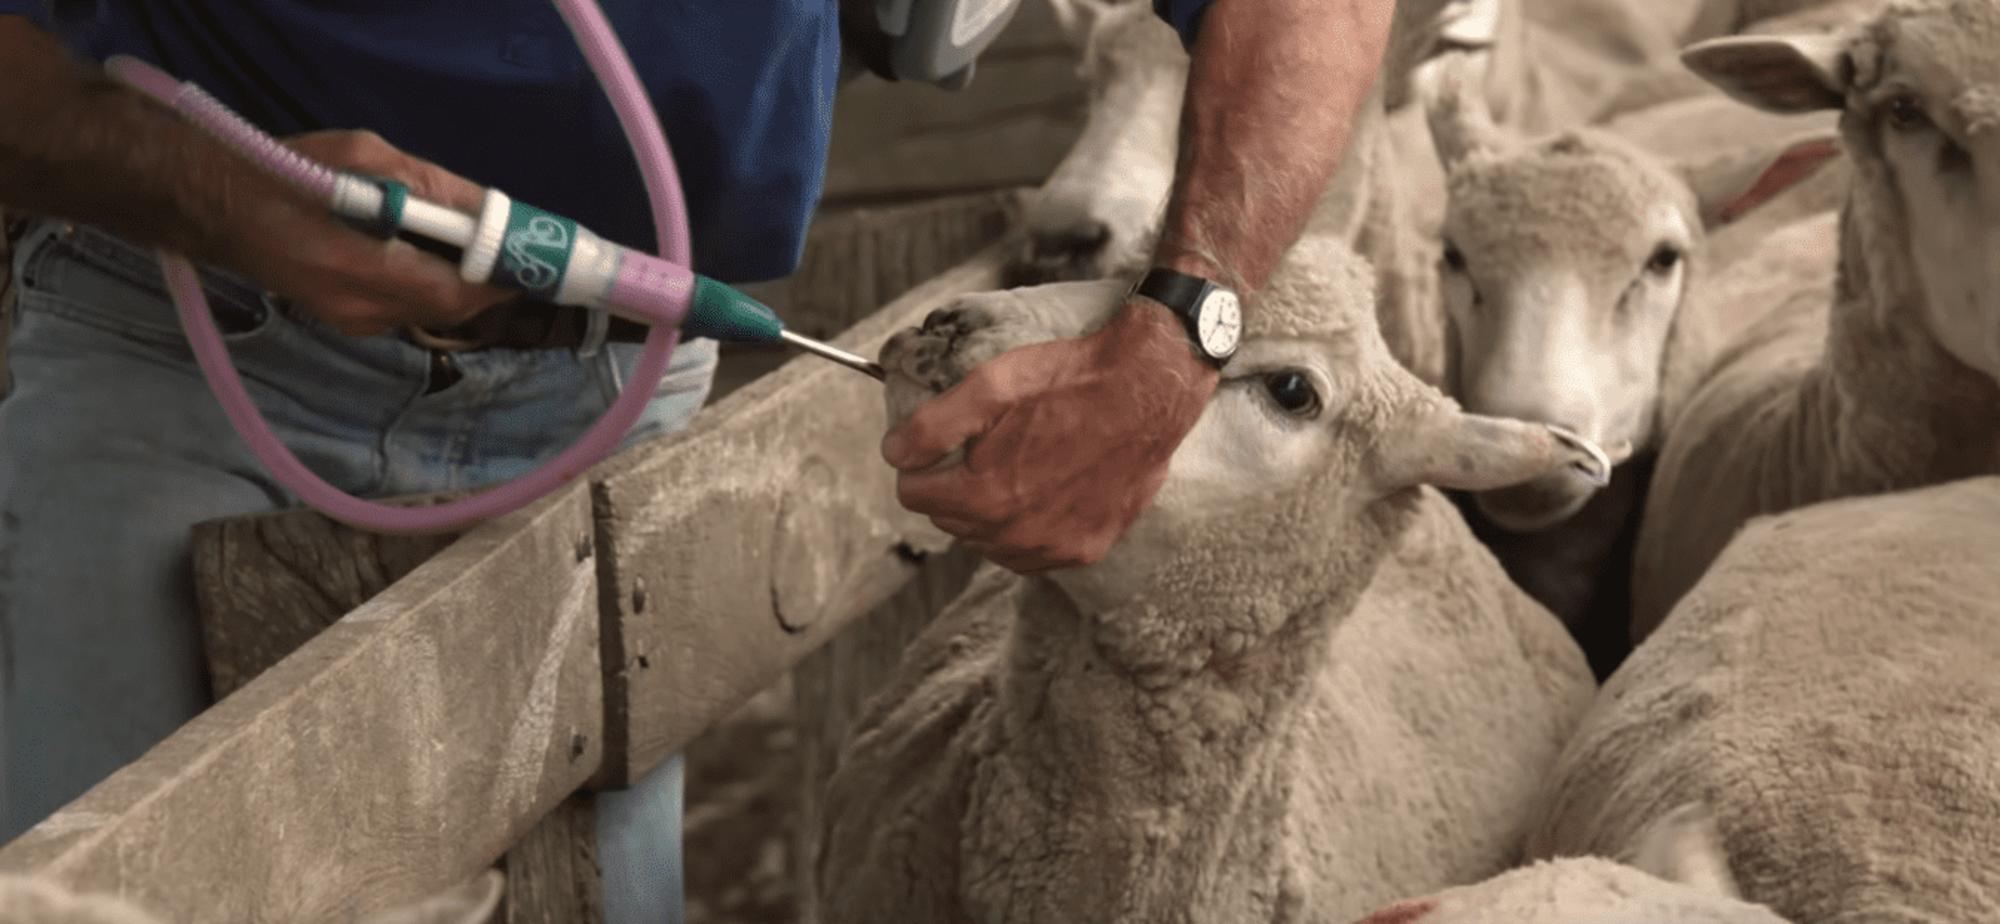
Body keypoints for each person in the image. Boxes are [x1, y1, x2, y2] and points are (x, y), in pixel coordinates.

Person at [0, 0, 1391, 919]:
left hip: (629, 388)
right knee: (102, 884)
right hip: (185, 341)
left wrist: (1176, 341)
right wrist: (210, 187)